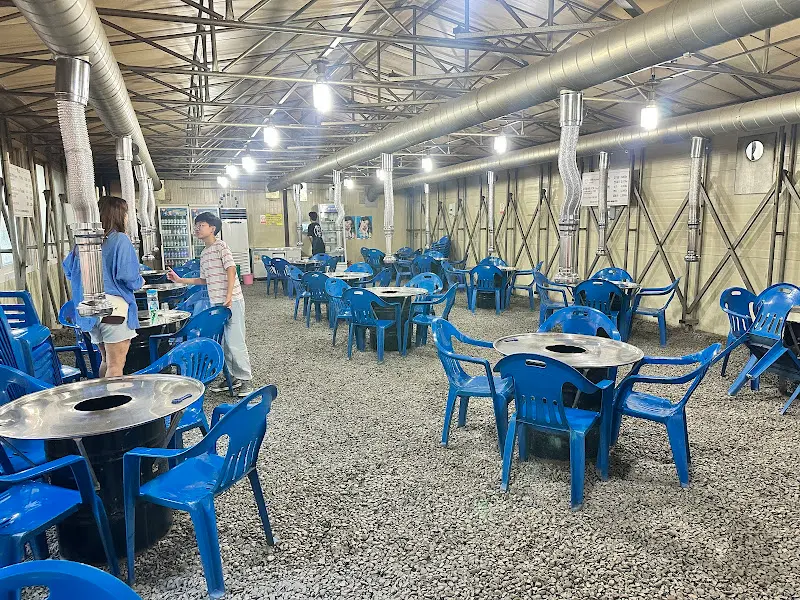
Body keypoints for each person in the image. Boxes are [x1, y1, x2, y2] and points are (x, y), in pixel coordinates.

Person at [168, 212, 253, 396]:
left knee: (235, 341)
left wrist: (228, 296)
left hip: (232, 300)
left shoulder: (221, 246)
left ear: (212, 228)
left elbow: (231, 270)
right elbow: (203, 280)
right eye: (196, 225)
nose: (197, 228)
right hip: (217, 303)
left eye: (202, 225)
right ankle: (232, 377)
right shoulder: (204, 253)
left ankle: (246, 380)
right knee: (224, 341)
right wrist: (180, 280)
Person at [63, 196, 144, 378]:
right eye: (126, 213)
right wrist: (140, 282)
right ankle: (115, 397)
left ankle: (104, 396)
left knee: (106, 361)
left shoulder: (83, 243)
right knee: (116, 366)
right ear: (118, 214)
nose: (127, 218)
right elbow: (128, 276)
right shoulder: (120, 239)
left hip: (90, 310)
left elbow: (68, 270)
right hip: (114, 309)